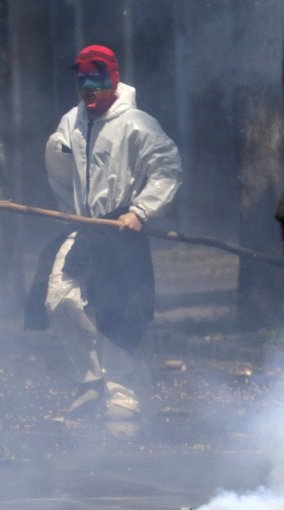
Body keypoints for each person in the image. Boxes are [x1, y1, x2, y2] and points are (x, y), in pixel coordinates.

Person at [26, 45, 182, 429]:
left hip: (121, 230)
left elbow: (167, 168)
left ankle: (123, 399)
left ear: (112, 79)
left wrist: (140, 210)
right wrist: (71, 209)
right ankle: (93, 380)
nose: (89, 88)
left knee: (119, 311)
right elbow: (58, 163)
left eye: (96, 80)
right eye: (82, 80)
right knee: (59, 297)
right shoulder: (72, 121)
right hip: (84, 228)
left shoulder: (137, 124)